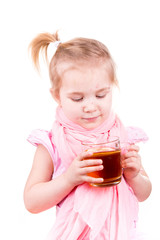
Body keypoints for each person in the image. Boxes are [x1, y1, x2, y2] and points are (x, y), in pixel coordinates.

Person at [24, 31, 152, 240]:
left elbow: (144, 193)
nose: (90, 106)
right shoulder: (53, 144)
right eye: (77, 98)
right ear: (57, 96)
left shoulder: (121, 136)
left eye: (101, 95)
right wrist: (68, 179)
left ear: (112, 89)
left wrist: (134, 175)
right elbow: (31, 202)